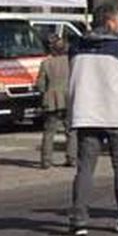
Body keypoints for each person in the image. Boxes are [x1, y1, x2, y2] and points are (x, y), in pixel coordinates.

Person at [66, 3, 118, 236]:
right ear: (110, 22)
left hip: (86, 112)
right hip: (117, 113)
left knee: (85, 169)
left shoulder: (76, 47)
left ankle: (78, 219)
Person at [35, 36, 76, 169]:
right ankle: (72, 158)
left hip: (51, 98)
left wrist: (44, 91)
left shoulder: (46, 63)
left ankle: (46, 160)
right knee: (71, 130)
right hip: (68, 97)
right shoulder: (71, 62)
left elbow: (40, 85)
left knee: (49, 132)